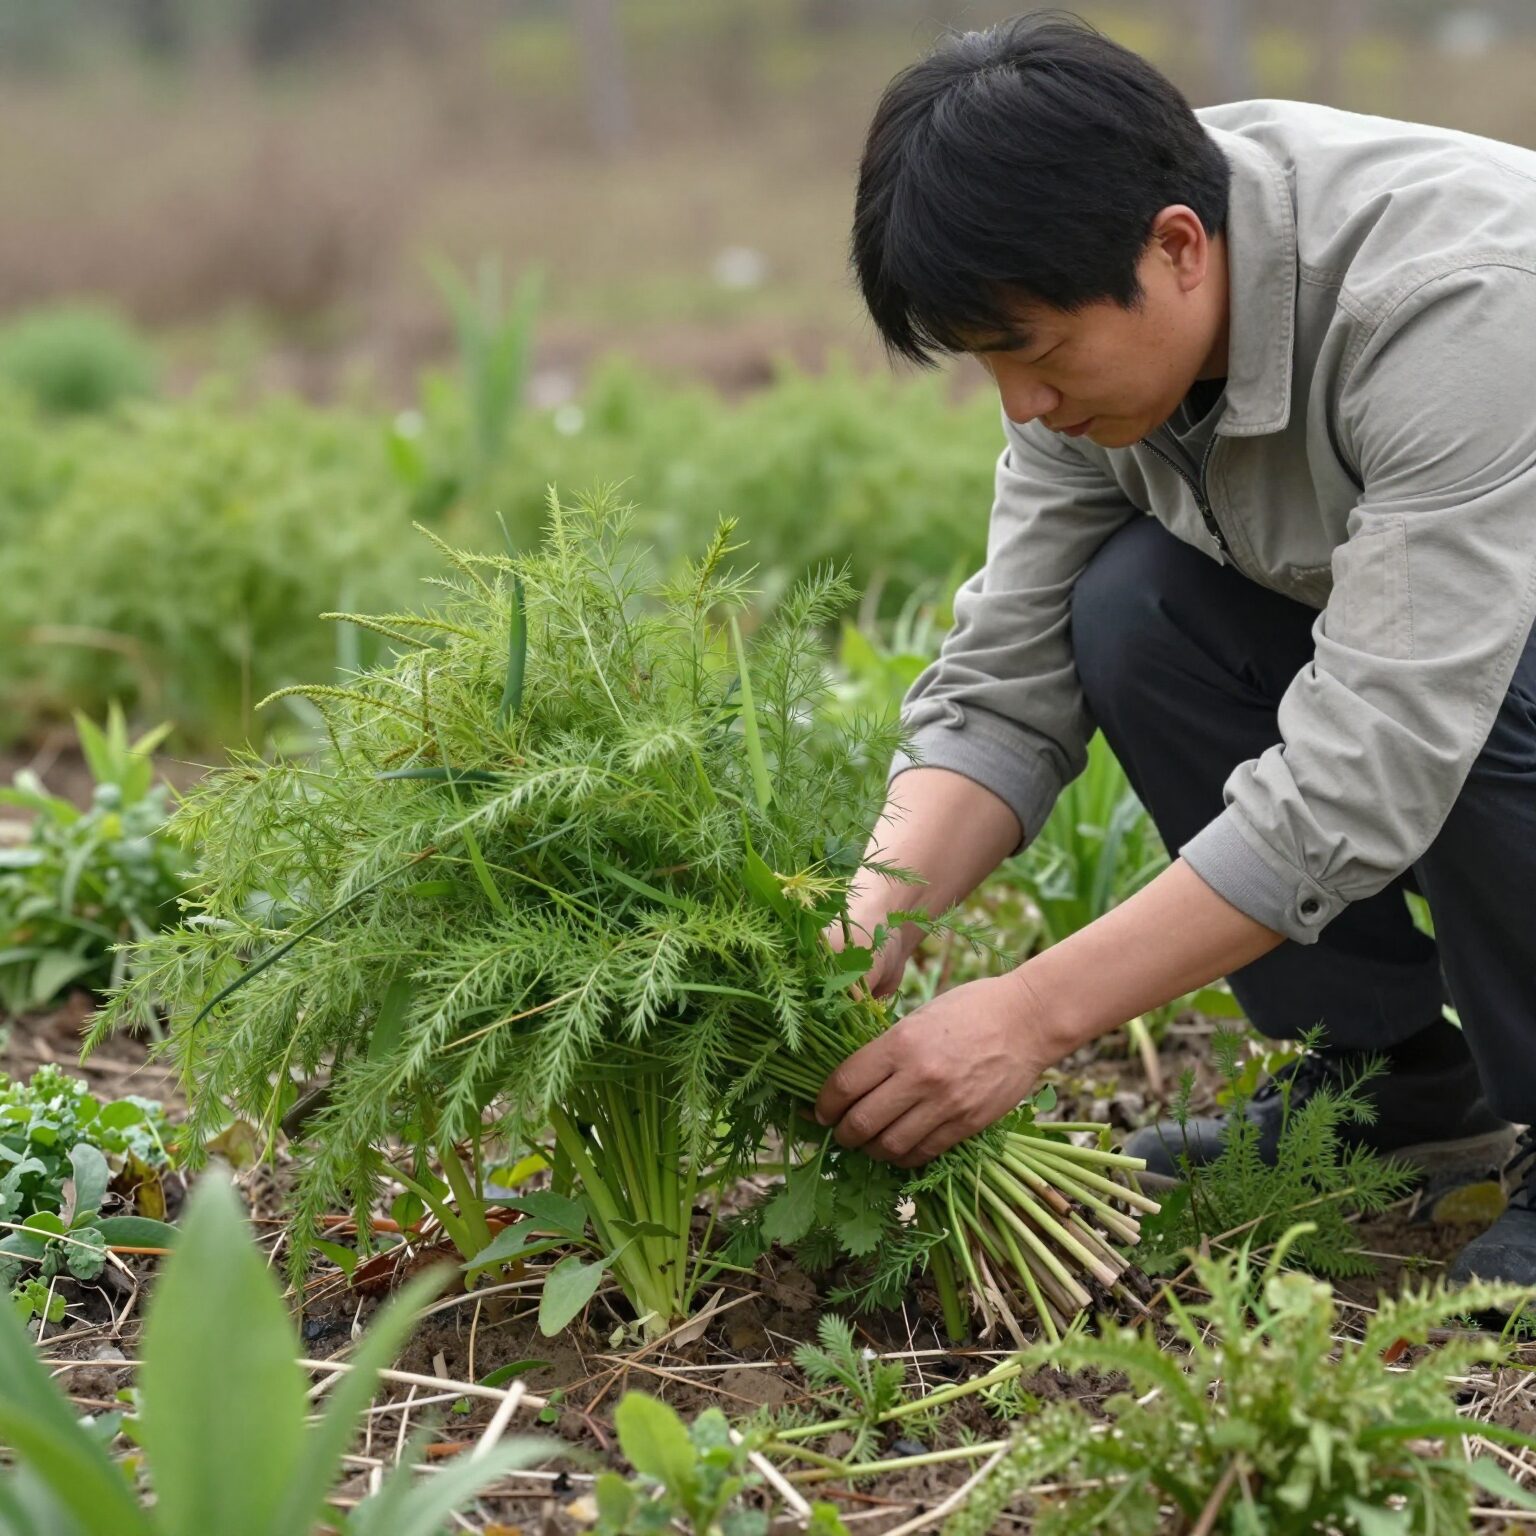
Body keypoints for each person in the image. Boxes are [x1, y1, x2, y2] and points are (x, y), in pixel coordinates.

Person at [812, 12, 1536, 1285]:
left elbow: (1381, 748)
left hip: (1489, 651)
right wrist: (875, 907)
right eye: (988, 365)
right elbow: (1011, 666)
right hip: (1454, 647)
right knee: (1132, 606)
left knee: (1485, 692)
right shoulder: (1097, 320)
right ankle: (1396, 1086)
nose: (1019, 406)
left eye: (1028, 353)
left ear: (1180, 249)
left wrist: (1030, 1017)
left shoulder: (1450, 305)